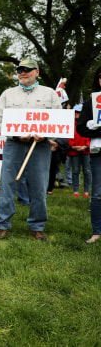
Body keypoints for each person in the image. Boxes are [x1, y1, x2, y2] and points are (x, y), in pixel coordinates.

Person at [0, 59, 61, 241]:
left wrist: (46, 136)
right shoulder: (8, 94)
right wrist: (16, 135)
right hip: (14, 145)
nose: (22, 73)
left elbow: (59, 120)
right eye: (20, 70)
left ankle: (37, 226)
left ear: (37, 72)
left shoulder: (50, 94)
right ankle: (2, 224)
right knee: (7, 185)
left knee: (39, 187)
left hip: (39, 147)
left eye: (27, 70)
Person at [76, 67, 101, 244]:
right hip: (98, 153)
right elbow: (81, 128)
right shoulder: (90, 103)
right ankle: (97, 231)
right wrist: (95, 127)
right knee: (98, 194)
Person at [67, 104, 92, 197]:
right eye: (75, 112)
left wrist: (86, 146)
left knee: (87, 171)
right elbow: (68, 136)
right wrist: (73, 146)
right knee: (75, 170)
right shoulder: (70, 124)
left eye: (79, 112)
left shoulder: (88, 123)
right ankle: (76, 191)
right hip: (74, 151)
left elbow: (91, 136)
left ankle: (86, 192)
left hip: (86, 150)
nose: (77, 114)